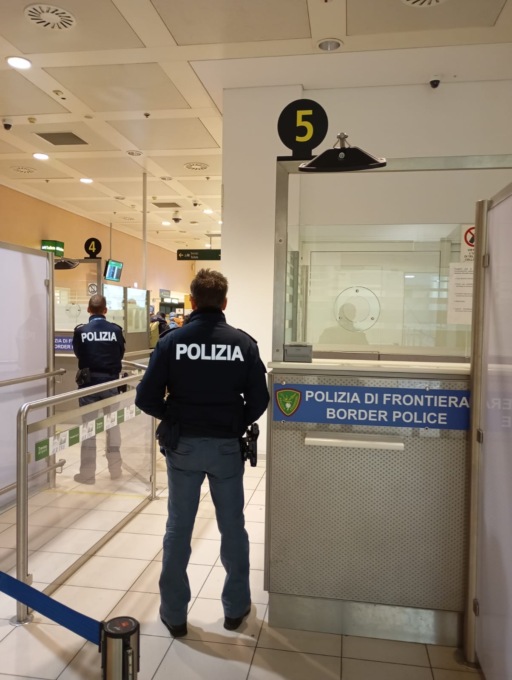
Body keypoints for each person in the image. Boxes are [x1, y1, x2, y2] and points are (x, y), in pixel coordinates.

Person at [135, 269, 269, 638]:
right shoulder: (242, 344)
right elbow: (260, 399)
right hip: (226, 448)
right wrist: (233, 421)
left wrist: (175, 416)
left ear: (192, 302)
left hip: (183, 446)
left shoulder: (171, 341)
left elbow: (145, 397)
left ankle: (174, 614)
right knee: (232, 527)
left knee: (179, 527)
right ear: (225, 302)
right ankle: (235, 608)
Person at [72, 294, 125, 484]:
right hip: (110, 384)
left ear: (88, 310)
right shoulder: (115, 330)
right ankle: (115, 469)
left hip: (88, 385)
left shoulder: (81, 331)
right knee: (113, 427)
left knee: (89, 429)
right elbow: (120, 353)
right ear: (105, 310)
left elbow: (78, 353)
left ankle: (87, 474)